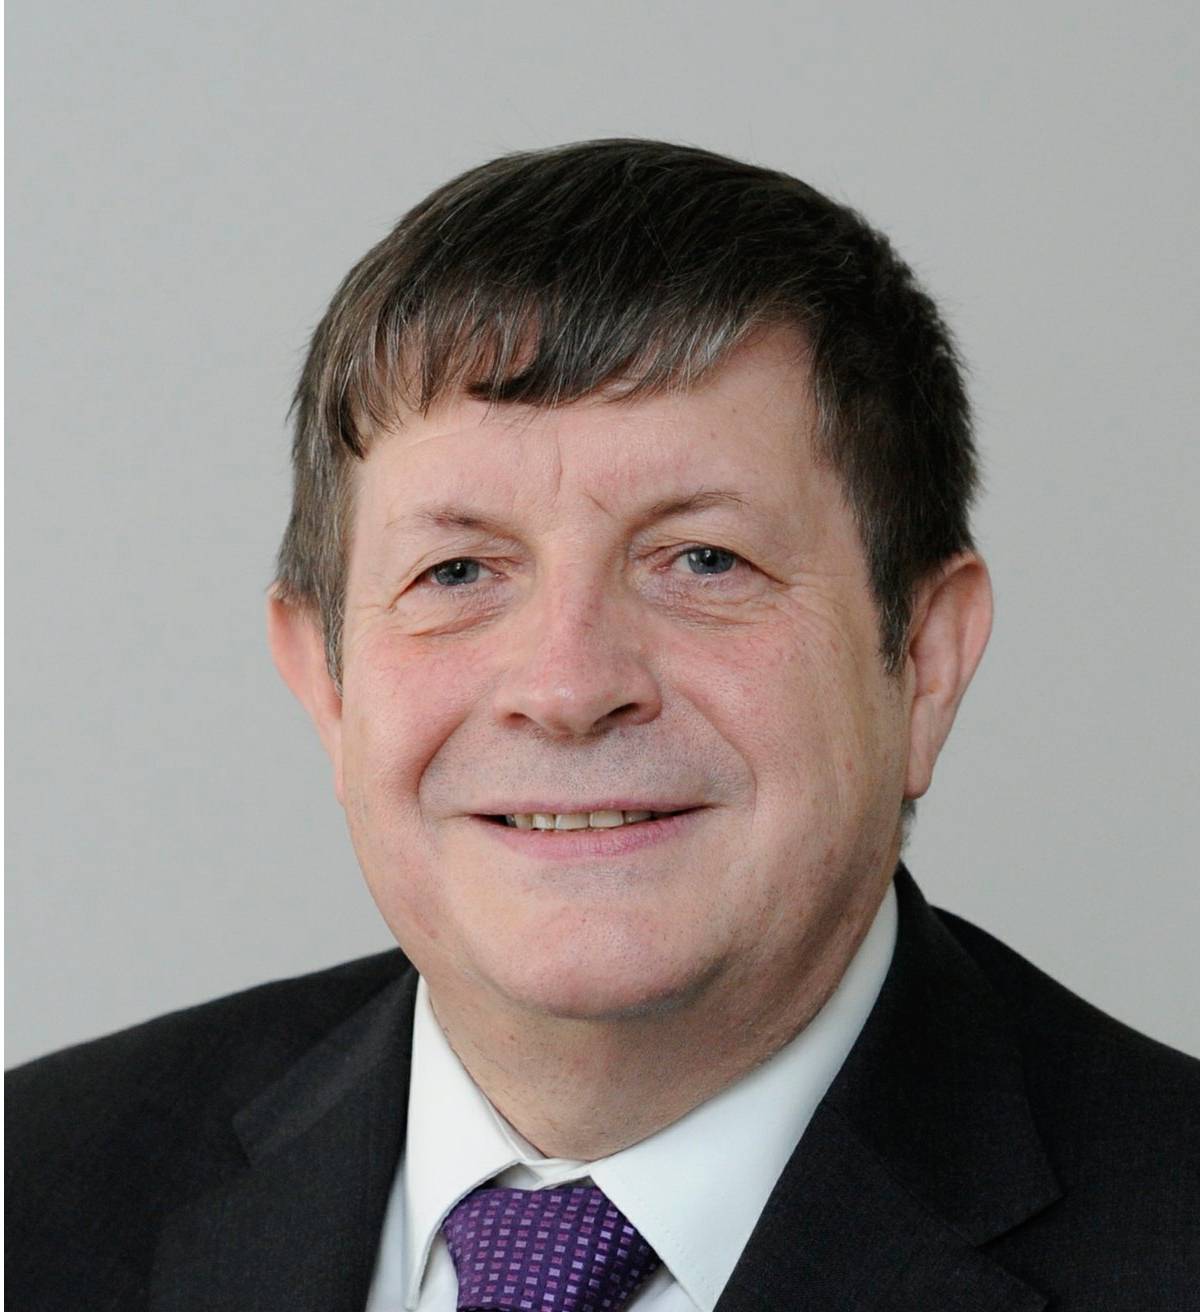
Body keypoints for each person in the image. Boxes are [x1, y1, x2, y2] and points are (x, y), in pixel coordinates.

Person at [7, 139, 1198, 1311]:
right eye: (459, 571)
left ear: (925, 661)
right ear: (325, 682)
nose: (569, 686)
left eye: (703, 559)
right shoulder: (37, 1190)